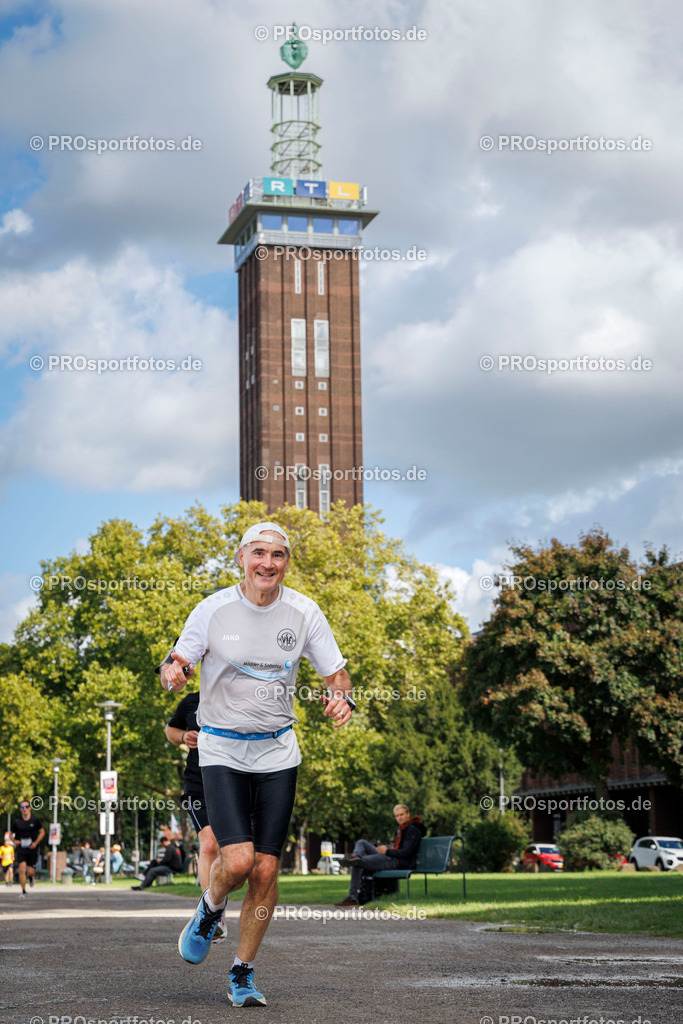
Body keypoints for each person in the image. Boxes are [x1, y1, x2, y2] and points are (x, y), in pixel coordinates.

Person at [161, 522, 354, 1008]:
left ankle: (242, 973)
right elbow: (178, 658)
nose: (268, 563)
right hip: (221, 747)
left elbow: (337, 674)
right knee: (239, 860)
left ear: (287, 562)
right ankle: (210, 908)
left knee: (266, 871)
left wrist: (341, 698)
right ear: (241, 557)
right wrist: (174, 670)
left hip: (277, 751)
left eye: (279, 555)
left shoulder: (305, 611)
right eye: (259, 553)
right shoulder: (213, 609)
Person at [164, 685, 226, 942]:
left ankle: (217, 899)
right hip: (197, 783)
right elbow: (171, 729)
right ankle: (213, 915)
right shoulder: (191, 701)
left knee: (236, 854)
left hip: (230, 781)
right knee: (208, 843)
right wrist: (183, 737)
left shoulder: (235, 696)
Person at [334, 804, 426, 908]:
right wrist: (386, 848)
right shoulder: (402, 828)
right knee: (362, 842)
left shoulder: (412, 830)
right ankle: (356, 855)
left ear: (408, 814)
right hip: (390, 856)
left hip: (398, 862)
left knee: (358, 862)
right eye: (396, 816)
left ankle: (352, 898)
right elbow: (397, 847)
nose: (399, 818)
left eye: (401, 815)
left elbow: (406, 853)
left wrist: (386, 851)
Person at [11, 800, 45, 898]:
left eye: (26, 807)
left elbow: (42, 832)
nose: (24, 809)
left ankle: (31, 877)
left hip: (32, 848)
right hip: (21, 848)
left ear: (30, 808)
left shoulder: (35, 820)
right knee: (22, 869)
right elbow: (10, 833)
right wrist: (14, 841)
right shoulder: (17, 822)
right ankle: (23, 891)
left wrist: (36, 843)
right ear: (20, 809)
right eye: (22, 807)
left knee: (30, 871)